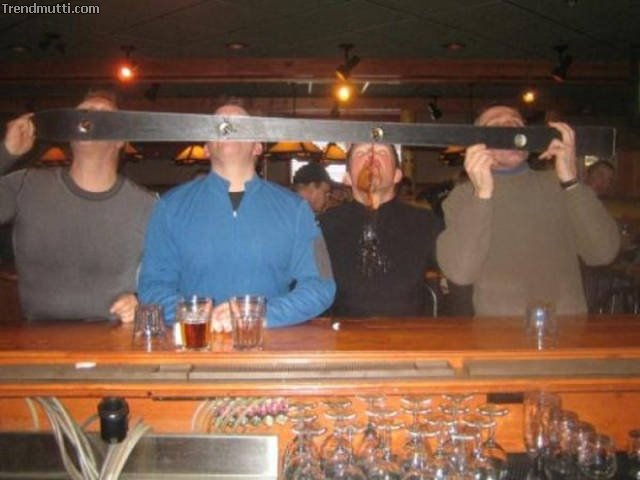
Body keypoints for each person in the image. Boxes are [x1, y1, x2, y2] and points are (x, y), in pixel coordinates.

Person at [138, 102, 335, 330]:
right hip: (194, 343)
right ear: (206, 148)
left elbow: (321, 286)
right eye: (218, 126)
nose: (227, 128)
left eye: (239, 125)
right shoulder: (170, 207)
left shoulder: (296, 209)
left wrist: (257, 314)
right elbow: (152, 286)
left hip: (269, 343)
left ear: (257, 147)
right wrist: (198, 314)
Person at [437, 105, 620, 315]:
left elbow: (603, 253)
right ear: (479, 144)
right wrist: (482, 194)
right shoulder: (463, 196)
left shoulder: (559, 186)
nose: (510, 127)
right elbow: (460, 272)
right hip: (498, 328)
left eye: (516, 123)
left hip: (567, 325)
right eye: (497, 125)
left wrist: (570, 180)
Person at [0, 90, 157, 323]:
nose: (89, 117)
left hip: (115, 337)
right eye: (82, 112)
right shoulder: (26, 185)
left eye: (103, 115)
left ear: (120, 140)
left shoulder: (148, 206)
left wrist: (139, 299)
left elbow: (163, 278)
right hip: (37, 338)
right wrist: (6, 152)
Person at [319, 142, 441, 317]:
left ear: (397, 175)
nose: (371, 156)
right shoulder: (324, 225)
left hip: (409, 330)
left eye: (382, 152)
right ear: (347, 177)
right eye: (361, 153)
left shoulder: (425, 222)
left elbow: (459, 272)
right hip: (343, 330)